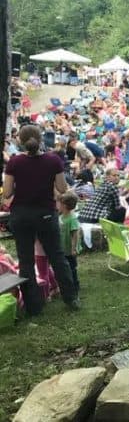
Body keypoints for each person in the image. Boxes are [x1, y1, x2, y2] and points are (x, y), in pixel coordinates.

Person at [2, 124, 80, 314]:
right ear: (41, 138)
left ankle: (32, 305)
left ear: (19, 140)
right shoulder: (53, 161)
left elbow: (8, 192)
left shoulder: (14, 162)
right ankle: (71, 298)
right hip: (45, 213)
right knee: (57, 256)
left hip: (21, 215)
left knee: (26, 261)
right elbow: (62, 189)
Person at [58, 191, 81, 292]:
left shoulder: (72, 219)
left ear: (64, 205)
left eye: (59, 203)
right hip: (63, 248)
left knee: (72, 268)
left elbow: (74, 235)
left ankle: (75, 285)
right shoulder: (61, 216)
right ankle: (67, 284)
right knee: (64, 268)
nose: (57, 205)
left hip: (70, 250)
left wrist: (73, 249)